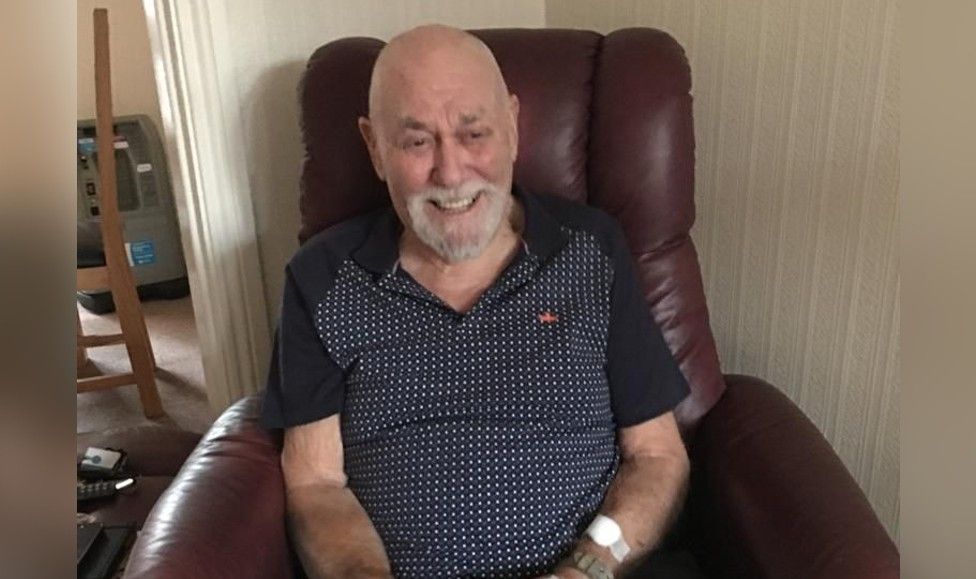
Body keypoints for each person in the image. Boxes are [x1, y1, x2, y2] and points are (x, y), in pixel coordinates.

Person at [261, 24, 691, 579]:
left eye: (474, 134)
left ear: (512, 125)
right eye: (417, 142)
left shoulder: (592, 251)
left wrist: (588, 568)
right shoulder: (321, 278)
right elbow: (315, 482)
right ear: (373, 147)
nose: (451, 172)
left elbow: (657, 455)